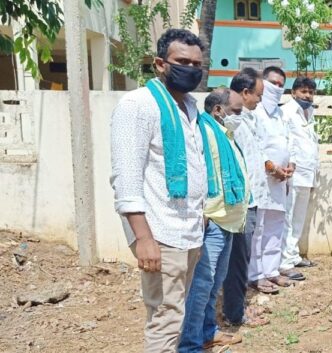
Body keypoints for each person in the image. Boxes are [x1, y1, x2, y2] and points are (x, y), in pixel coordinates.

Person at [110, 29, 207, 352]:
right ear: (159, 64)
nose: (191, 68)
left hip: (189, 231)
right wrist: (144, 239)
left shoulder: (192, 109)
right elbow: (125, 179)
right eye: (182, 61)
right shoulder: (138, 105)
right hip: (161, 233)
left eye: (197, 64)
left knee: (174, 315)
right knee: (165, 318)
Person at [178, 88, 249, 352]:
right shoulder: (203, 133)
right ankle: (190, 344)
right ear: (218, 110)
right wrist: (202, 211)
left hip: (228, 218)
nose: (240, 116)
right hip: (214, 217)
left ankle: (207, 333)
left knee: (213, 284)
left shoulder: (224, 134)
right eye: (237, 111)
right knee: (201, 286)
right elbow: (197, 172)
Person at [222, 67, 272, 324]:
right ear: (244, 92)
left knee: (241, 258)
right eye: (258, 95)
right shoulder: (233, 121)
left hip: (251, 200)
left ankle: (236, 307)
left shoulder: (248, 119)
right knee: (237, 262)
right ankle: (234, 313)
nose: (260, 100)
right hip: (241, 202)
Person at [247, 66, 296, 293]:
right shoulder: (254, 113)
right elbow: (254, 145)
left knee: (276, 226)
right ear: (263, 83)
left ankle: (272, 270)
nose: (277, 87)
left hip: (281, 181)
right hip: (261, 180)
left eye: (281, 84)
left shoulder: (281, 115)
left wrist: (290, 165)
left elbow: (289, 143)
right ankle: (255, 274)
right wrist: (270, 166)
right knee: (259, 227)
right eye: (273, 83)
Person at [279, 76, 321, 282]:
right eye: (303, 91)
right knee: (287, 217)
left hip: (307, 174)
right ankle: (284, 263)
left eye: (311, 92)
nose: (307, 96)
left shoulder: (310, 113)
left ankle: (293, 256)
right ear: (294, 92)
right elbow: (286, 142)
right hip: (292, 174)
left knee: (298, 219)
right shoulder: (286, 112)